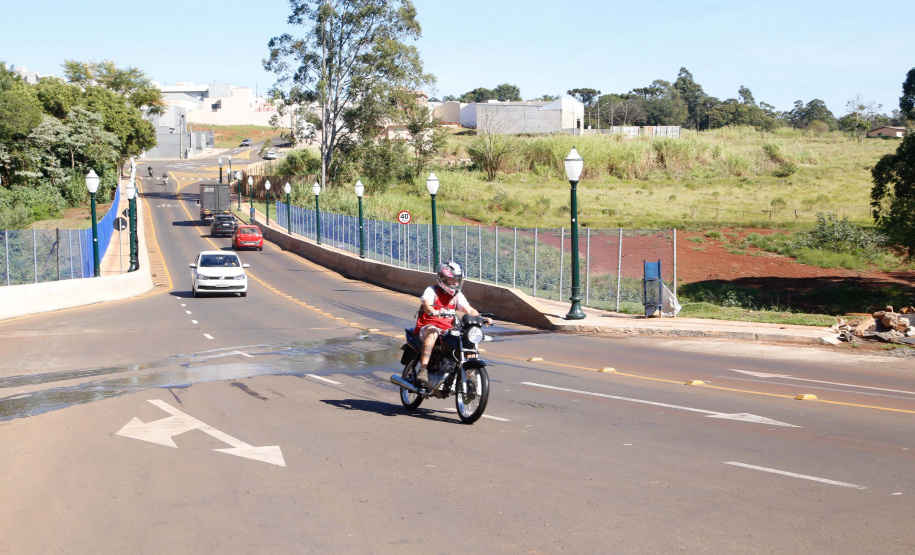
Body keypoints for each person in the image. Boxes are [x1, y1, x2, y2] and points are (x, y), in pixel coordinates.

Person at [413, 261, 491, 387]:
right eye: (452, 279)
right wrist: (433, 311)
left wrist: (480, 318)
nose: (455, 283)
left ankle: (469, 374)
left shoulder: (457, 295)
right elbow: (427, 305)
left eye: (458, 280)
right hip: (428, 326)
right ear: (442, 278)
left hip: (447, 329)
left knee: (467, 339)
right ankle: (423, 369)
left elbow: (469, 309)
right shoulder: (431, 291)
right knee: (433, 333)